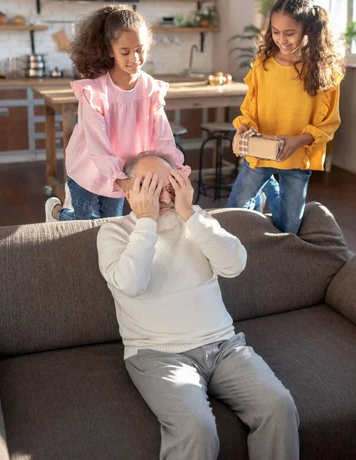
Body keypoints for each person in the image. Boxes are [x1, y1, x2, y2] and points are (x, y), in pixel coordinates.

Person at [97, 150, 299, 460]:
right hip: (157, 356)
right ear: (128, 190)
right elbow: (131, 284)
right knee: (196, 427)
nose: (163, 195)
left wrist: (190, 214)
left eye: (170, 184)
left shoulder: (195, 220)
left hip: (224, 347)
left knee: (278, 405)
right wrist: (146, 222)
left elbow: (235, 265)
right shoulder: (114, 233)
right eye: (150, 185)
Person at [45, 4, 189, 222]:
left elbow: (162, 136)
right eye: (125, 52)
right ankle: (57, 214)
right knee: (86, 227)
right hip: (88, 168)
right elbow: (97, 146)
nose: (135, 58)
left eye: (140, 49)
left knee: (112, 225)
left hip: (121, 169)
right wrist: (121, 181)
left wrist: (173, 169)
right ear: (110, 50)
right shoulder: (95, 91)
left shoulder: (150, 88)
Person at [227, 0, 345, 234]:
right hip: (260, 152)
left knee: (289, 227)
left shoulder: (325, 72)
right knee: (236, 209)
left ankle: (269, 185)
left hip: (297, 156)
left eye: (289, 33)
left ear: (308, 30)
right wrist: (243, 128)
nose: (282, 39)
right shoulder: (263, 65)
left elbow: (328, 123)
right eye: (275, 32)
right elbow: (249, 109)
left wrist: (298, 140)